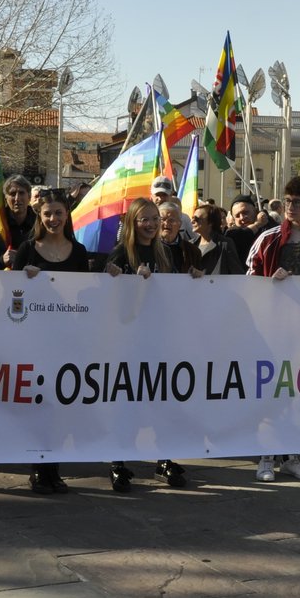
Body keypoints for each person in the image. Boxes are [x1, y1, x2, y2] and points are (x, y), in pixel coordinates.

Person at [104, 197, 201, 490]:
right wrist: (123, 279)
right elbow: (109, 297)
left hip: (161, 340)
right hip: (128, 341)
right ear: (133, 223)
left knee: (163, 400)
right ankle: (118, 462)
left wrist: (193, 279)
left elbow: (172, 294)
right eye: (144, 219)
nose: (151, 225)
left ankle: (164, 458)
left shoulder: (164, 253)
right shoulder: (121, 253)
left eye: (154, 219)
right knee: (127, 403)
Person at [245, 176, 300, 483]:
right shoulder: (267, 239)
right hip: (272, 328)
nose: (291, 208)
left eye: (298, 202)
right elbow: (250, 278)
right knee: (270, 390)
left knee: (298, 393)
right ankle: (266, 456)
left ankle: (291, 456)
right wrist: (271, 283)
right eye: (288, 201)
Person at [12, 188, 91, 493]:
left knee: (60, 405)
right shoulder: (28, 250)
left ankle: (53, 468)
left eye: (58, 213)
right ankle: (37, 467)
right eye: (47, 214)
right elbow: (13, 296)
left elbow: (84, 295)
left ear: (67, 214)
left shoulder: (80, 251)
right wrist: (24, 281)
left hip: (67, 338)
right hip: (35, 339)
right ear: (39, 216)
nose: (53, 219)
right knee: (38, 403)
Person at [0, 175, 38, 268]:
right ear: (5, 198)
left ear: (29, 196)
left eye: (21, 193)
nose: (17, 198)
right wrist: (1, 260)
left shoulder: (40, 223)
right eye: (12, 194)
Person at [192, 204, 243, 275]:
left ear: (210, 222)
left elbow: (237, 274)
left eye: (196, 219)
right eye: (192, 218)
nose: (192, 221)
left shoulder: (225, 244)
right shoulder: (190, 245)